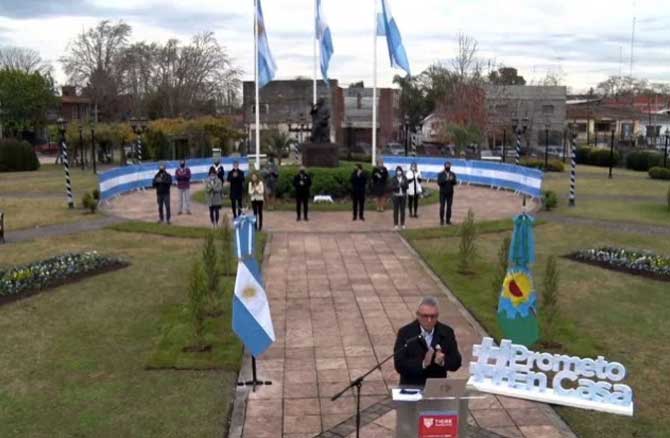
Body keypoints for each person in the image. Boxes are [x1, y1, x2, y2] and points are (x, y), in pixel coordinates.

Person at [393, 296, 462, 387]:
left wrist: (443, 361)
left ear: (437, 315)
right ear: (417, 315)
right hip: (411, 387)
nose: (429, 320)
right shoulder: (405, 333)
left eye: (433, 316)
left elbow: (456, 363)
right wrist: (423, 363)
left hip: (436, 387)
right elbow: (399, 365)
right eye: (425, 316)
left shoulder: (447, 332)